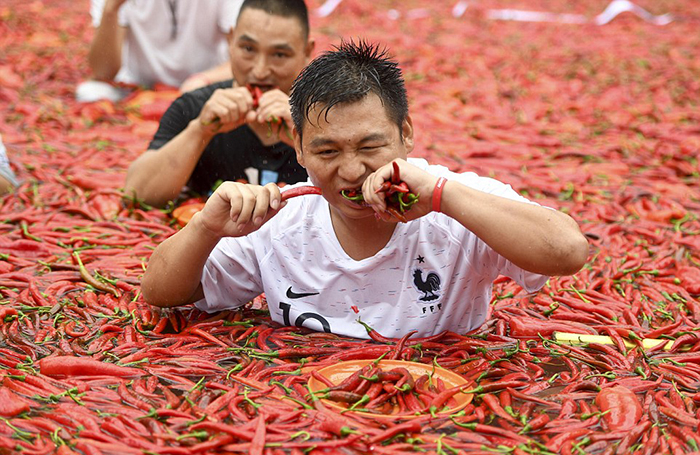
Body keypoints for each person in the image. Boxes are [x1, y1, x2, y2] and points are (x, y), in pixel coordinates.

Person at [142, 40, 590, 340]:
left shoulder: (455, 202)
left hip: (445, 402)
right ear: (297, 147)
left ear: (406, 134)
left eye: (371, 146)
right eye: (328, 151)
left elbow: (569, 250)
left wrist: (442, 197)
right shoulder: (282, 219)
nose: (351, 170)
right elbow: (160, 292)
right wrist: (205, 227)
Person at [123, 0, 314, 207]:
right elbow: (136, 196)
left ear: (306, 52)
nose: (260, 71)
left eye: (279, 55)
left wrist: (306, 138)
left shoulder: (325, 116)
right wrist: (199, 131)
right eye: (248, 48)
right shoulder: (194, 108)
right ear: (230, 41)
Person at [77, 0, 243, 102]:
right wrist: (111, 9)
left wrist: (204, 79)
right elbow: (102, 72)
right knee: (90, 92)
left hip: (205, 86)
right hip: (138, 90)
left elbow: (246, 58)